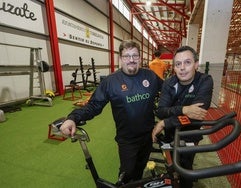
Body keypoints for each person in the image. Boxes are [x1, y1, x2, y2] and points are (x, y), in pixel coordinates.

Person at [60, 39, 163, 184]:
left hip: (148, 135)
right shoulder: (110, 82)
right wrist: (73, 118)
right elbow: (93, 106)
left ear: (140, 57)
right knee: (126, 176)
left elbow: (168, 92)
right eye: (127, 56)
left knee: (139, 170)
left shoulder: (150, 76)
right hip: (127, 140)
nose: (131, 60)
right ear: (120, 59)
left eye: (135, 56)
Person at [152, 45, 213, 188]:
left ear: (196, 64)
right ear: (174, 67)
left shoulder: (205, 81)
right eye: (178, 64)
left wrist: (165, 122)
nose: (182, 68)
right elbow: (161, 111)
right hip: (171, 133)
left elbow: (197, 116)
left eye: (187, 62)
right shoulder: (169, 83)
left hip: (191, 133)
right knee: (173, 164)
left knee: (186, 167)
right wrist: (184, 109)